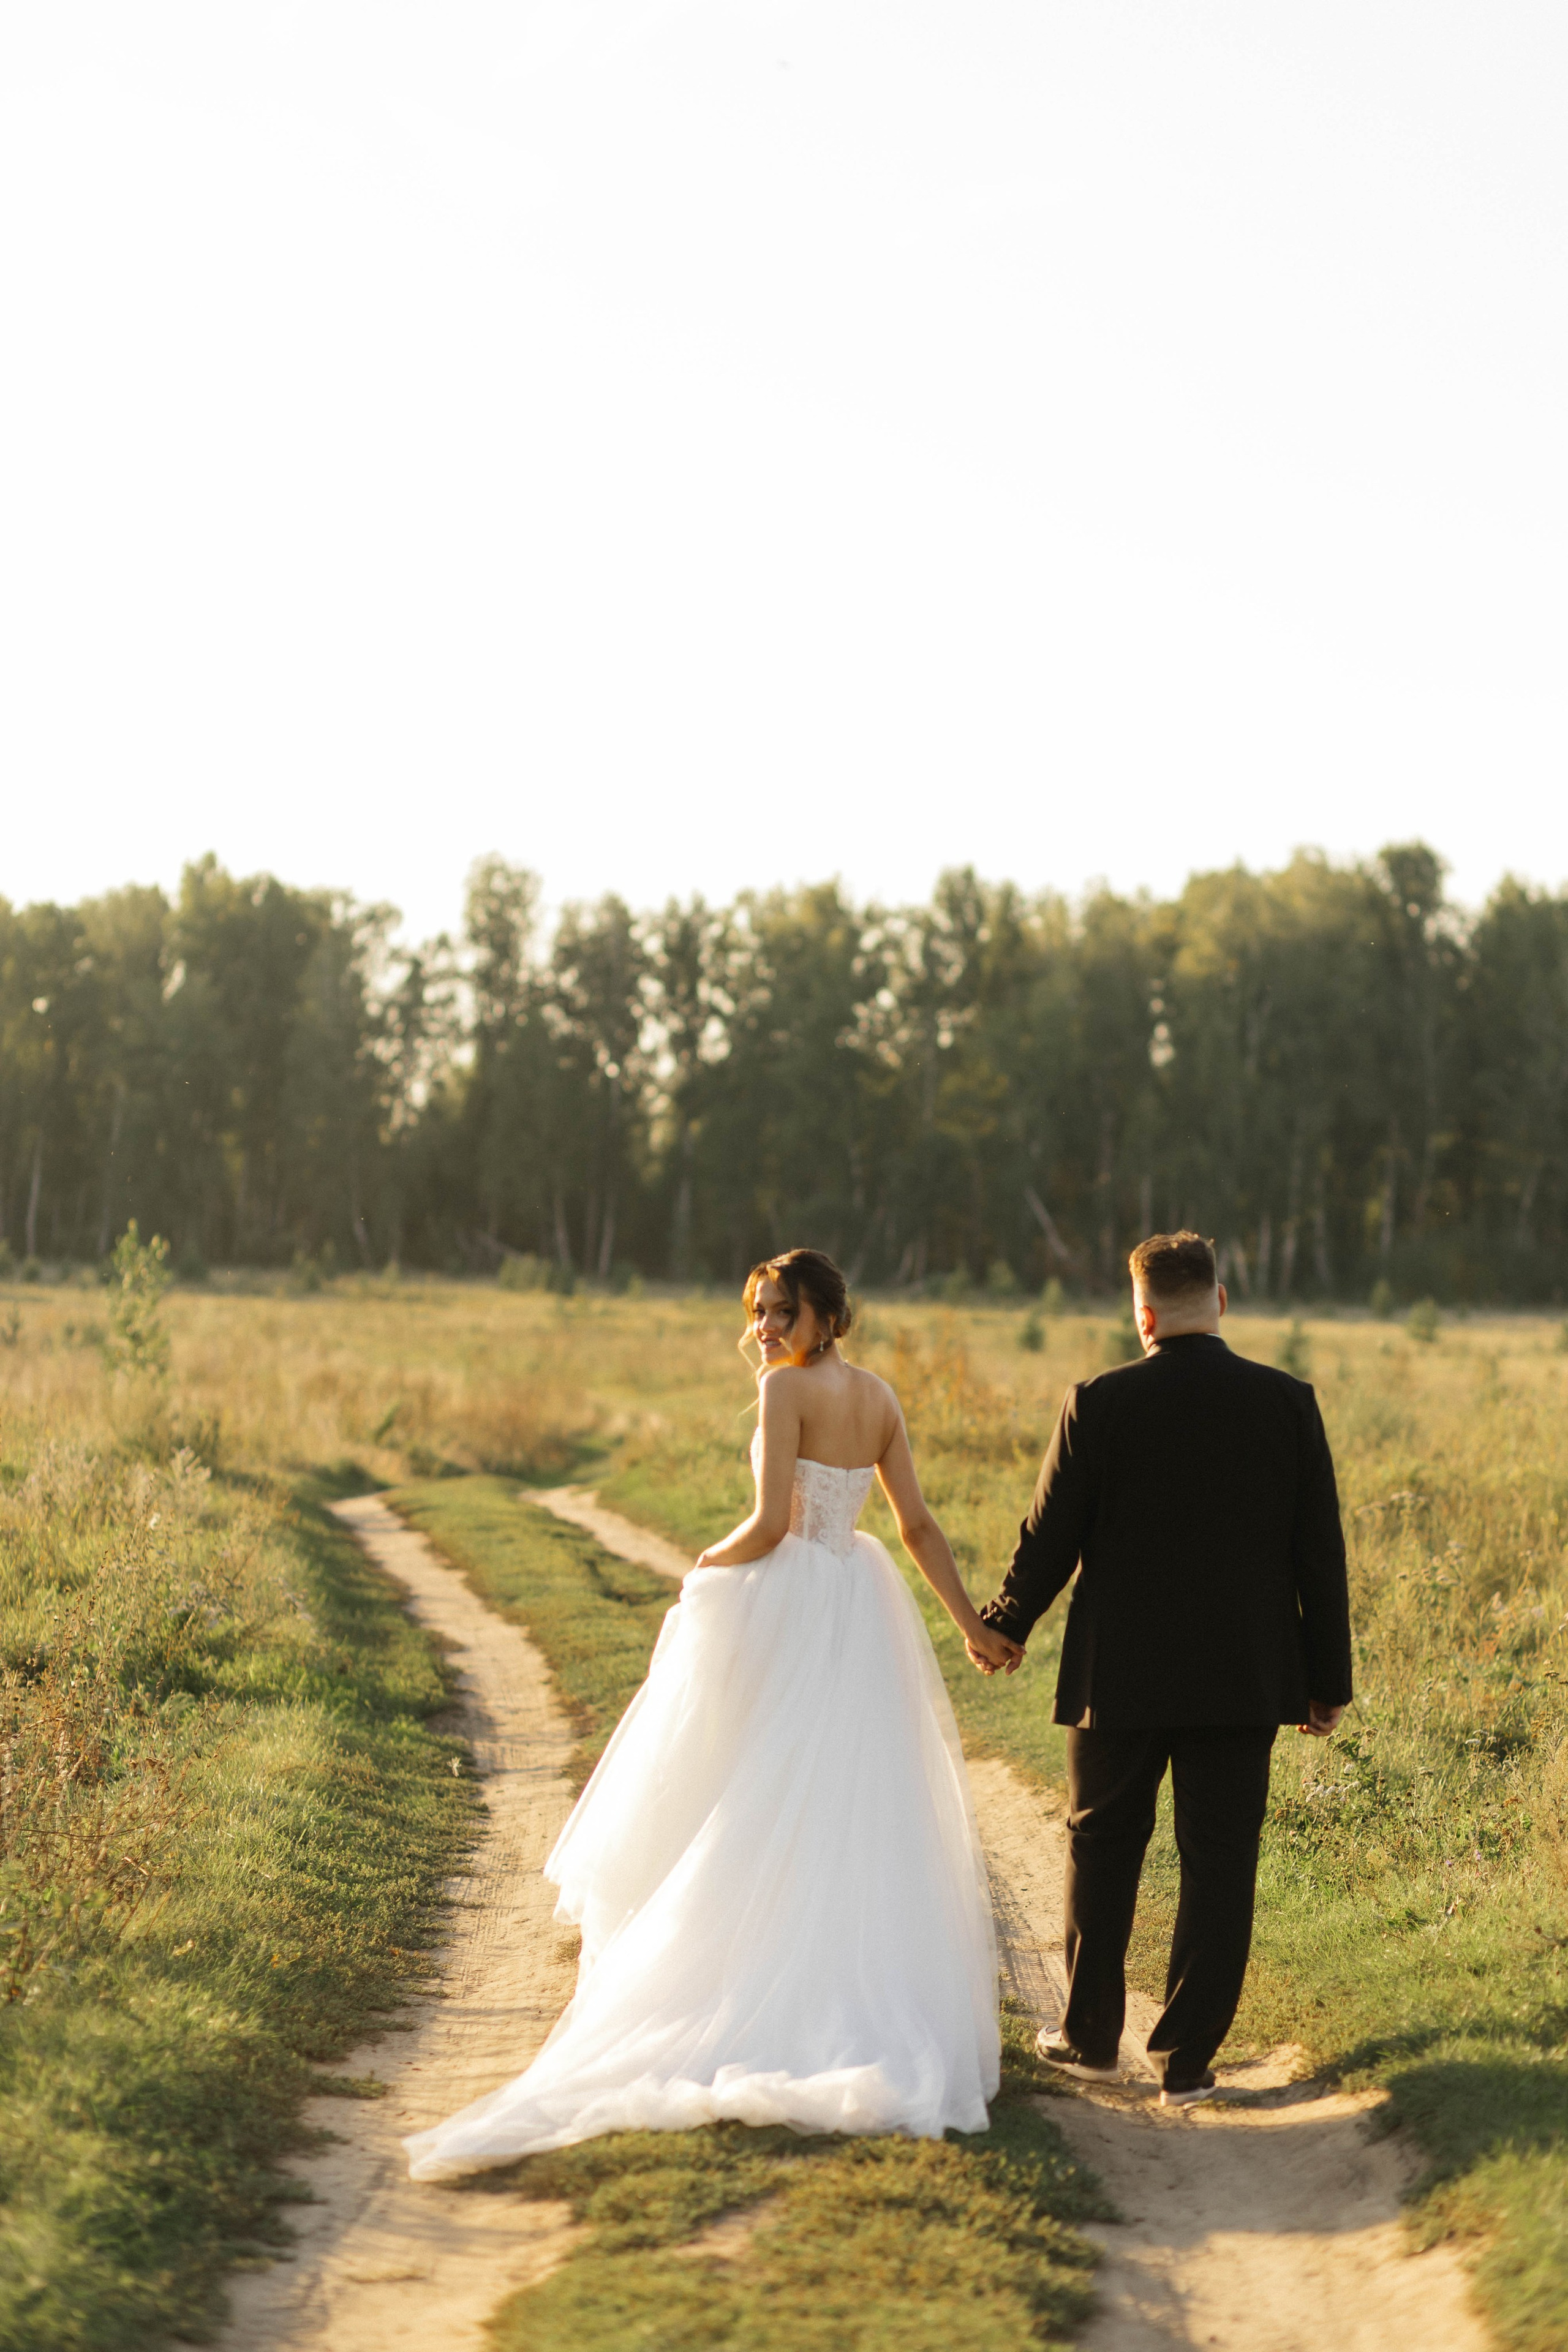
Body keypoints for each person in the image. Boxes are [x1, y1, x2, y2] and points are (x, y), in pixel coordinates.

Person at [405, 1246, 1015, 2179]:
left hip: (789, 1599)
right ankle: (839, 1978)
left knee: (751, 1785)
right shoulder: (881, 1399)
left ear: (826, 1318)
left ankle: (748, 1974)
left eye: (782, 1312)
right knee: (837, 1795)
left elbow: (769, 1525)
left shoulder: (784, 1390)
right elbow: (917, 1527)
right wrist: (972, 1626)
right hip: (858, 1600)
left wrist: (705, 1564)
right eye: (758, 1312)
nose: (765, 1329)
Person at [973, 1232, 1352, 2108]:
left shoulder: (1098, 1402)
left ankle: (1089, 2039)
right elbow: (1319, 1552)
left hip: (1120, 1676)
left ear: (1141, 1315)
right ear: (1218, 1302)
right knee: (1220, 1860)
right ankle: (1186, 2063)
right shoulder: (1286, 1402)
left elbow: (1049, 1537)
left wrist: (1004, 1626)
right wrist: (1326, 1679)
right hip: (1243, 1675)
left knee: (1101, 1844)